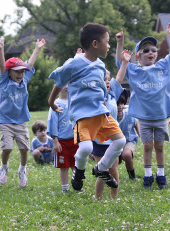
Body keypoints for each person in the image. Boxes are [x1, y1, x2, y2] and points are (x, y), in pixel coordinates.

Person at [48, 23, 126, 192]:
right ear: (95, 44)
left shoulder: (100, 66)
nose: (109, 46)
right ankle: (79, 172)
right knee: (86, 148)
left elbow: (100, 89)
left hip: (101, 113)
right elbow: (59, 82)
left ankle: (101, 168)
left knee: (120, 140)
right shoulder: (73, 64)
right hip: (82, 115)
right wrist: (51, 102)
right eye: (107, 41)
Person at [115, 23, 170, 189]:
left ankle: (161, 175)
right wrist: (120, 43)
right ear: (137, 56)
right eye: (146, 50)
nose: (151, 52)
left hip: (161, 115)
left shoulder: (163, 67)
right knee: (147, 146)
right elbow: (119, 60)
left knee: (159, 146)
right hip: (143, 117)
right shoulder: (134, 70)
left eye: (153, 50)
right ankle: (148, 175)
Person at [0, 36, 46, 187]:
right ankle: (4, 167)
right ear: (10, 72)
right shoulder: (4, 82)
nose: (20, 74)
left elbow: (29, 64)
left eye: (22, 72)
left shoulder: (24, 80)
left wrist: (37, 48)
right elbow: (2, 67)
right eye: (16, 71)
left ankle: (22, 171)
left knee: (24, 149)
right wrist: (1, 49)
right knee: (7, 147)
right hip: (7, 121)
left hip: (21, 121)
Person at [92, 50, 132, 200]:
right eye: (104, 79)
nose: (107, 82)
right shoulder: (94, 98)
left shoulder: (113, 94)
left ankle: (114, 198)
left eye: (108, 79)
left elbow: (120, 78)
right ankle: (98, 198)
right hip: (99, 141)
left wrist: (125, 62)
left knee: (114, 170)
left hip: (114, 140)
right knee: (103, 172)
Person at [47, 84, 79, 192]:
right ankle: (65, 188)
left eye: (69, 83)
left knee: (76, 164)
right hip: (62, 141)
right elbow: (52, 123)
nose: (66, 86)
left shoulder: (75, 102)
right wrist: (55, 141)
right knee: (64, 166)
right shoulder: (55, 104)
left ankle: (77, 186)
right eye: (64, 83)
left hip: (75, 139)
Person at [117, 91, 140, 180]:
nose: (120, 107)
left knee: (126, 155)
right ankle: (112, 178)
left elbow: (135, 122)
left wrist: (139, 133)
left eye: (122, 103)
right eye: (117, 104)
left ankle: (132, 176)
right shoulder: (110, 116)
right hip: (114, 142)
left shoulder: (128, 113)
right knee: (114, 161)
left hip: (129, 139)